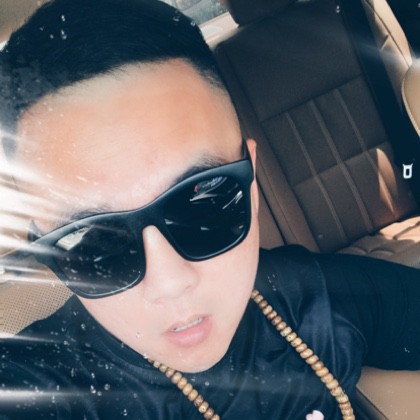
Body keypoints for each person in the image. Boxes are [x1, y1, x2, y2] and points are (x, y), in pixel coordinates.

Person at [0, 0, 419, 419]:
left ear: (252, 183)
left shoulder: (308, 296)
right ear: (47, 253)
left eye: (205, 204)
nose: (170, 283)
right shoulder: (41, 385)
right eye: (95, 244)